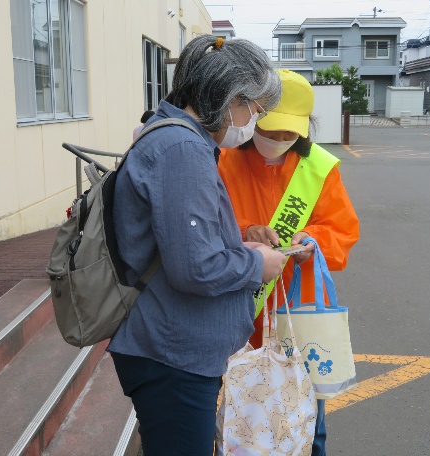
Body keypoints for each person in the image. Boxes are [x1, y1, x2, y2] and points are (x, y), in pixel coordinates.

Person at [108, 35, 286, 455]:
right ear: (230, 98)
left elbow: (179, 239)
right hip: (174, 356)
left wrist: (239, 240)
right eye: (256, 109)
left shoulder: (175, 139)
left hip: (174, 349)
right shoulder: (182, 149)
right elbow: (194, 267)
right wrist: (255, 264)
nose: (253, 121)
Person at [218, 69, 360, 456]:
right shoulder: (222, 158)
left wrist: (312, 240)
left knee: (307, 416)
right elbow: (202, 226)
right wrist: (246, 231)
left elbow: (342, 231)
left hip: (297, 314)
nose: (279, 141)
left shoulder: (319, 167)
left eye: (290, 134)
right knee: (240, 417)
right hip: (236, 307)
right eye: (272, 131)